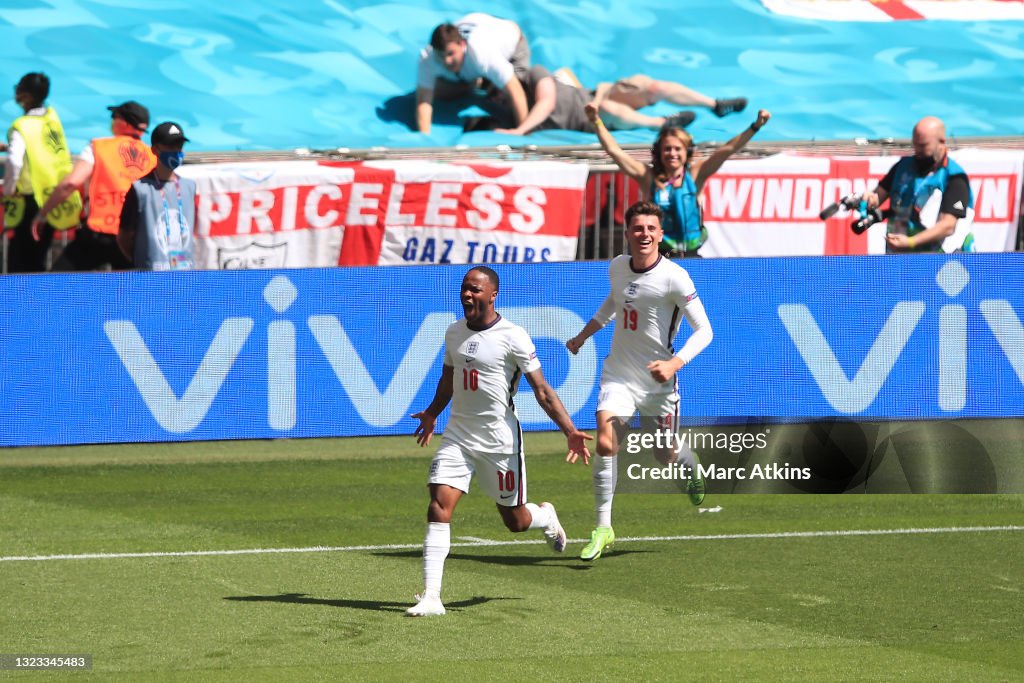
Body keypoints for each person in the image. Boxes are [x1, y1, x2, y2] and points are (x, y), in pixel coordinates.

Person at [407, 266, 592, 616]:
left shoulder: (513, 336)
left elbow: (542, 390)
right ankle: (432, 596)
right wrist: (433, 413)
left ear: (493, 294)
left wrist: (569, 430)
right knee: (438, 503)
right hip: (459, 436)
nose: (467, 295)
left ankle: (545, 516)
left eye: (475, 289)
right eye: (464, 288)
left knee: (515, 521)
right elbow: (448, 378)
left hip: (500, 441)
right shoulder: (453, 332)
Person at [565, 200, 713, 561]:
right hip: (618, 374)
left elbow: (705, 331)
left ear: (661, 235)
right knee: (605, 440)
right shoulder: (617, 267)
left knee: (665, 455)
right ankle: (603, 527)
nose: (644, 234)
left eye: (651, 228)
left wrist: (674, 363)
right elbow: (614, 304)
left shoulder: (675, 277)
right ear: (627, 233)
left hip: (657, 382)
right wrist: (585, 334)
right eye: (637, 228)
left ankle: (690, 465)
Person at [587, 103, 770, 257]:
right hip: (660, 257)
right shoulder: (647, 177)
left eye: (677, 149)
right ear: (659, 152)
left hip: (691, 255)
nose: (672, 154)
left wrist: (755, 126)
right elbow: (614, 151)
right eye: (667, 149)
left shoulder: (696, 174)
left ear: (687, 152)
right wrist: (596, 121)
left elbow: (728, 149)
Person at [32, 100, 156, 271]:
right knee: (134, 293)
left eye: (114, 117)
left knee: (57, 285)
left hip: (99, 233)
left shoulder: (98, 147)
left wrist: (43, 213)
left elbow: (71, 183)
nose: (111, 121)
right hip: (133, 236)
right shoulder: (153, 156)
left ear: (125, 123)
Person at [494, 66, 748, 136]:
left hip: (594, 94)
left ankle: (715, 105)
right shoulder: (502, 112)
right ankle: (662, 123)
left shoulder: (533, 75)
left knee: (648, 85)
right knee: (606, 109)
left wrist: (520, 130)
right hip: (589, 117)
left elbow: (547, 101)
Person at [2, 72, 82, 272]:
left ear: (26, 96)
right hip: (53, 198)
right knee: (38, 259)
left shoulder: (21, 126)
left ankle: (19, 303)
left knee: (20, 265)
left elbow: (15, 161)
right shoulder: (52, 119)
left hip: (30, 200)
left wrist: (9, 189)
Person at [862, 116, 974, 253]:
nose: (917, 151)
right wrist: (870, 199)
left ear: (942, 142)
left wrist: (911, 242)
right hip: (899, 259)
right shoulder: (903, 166)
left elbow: (948, 226)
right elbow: (877, 196)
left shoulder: (955, 177)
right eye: (915, 144)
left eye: (923, 145)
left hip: (940, 262)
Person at [416, 13, 531, 135]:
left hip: (513, 43)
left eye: (450, 54)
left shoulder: (482, 53)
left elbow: (516, 92)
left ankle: (486, 82)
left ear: (462, 44)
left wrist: (522, 133)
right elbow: (424, 98)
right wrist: (424, 137)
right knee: (439, 91)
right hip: (478, 39)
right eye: (441, 56)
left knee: (509, 104)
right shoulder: (428, 57)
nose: (446, 61)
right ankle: (478, 82)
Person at [118, 122, 196, 271]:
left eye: (179, 146)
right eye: (171, 146)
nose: (177, 151)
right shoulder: (140, 189)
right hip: (151, 277)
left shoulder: (189, 187)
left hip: (184, 274)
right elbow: (124, 236)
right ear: (155, 150)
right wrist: (142, 262)